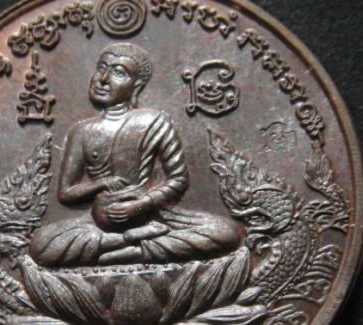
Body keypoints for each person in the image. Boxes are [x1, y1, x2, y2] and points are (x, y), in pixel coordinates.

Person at [29, 43, 241, 266]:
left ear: (136, 86)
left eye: (118, 73)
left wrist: (142, 204)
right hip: (99, 222)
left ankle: (125, 250)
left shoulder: (155, 121)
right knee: (41, 246)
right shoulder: (82, 131)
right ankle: (129, 242)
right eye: (101, 68)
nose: (103, 79)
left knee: (226, 233)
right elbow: (66, 193)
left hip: (150, 216)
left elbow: (178, 179)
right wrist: (99, 184)